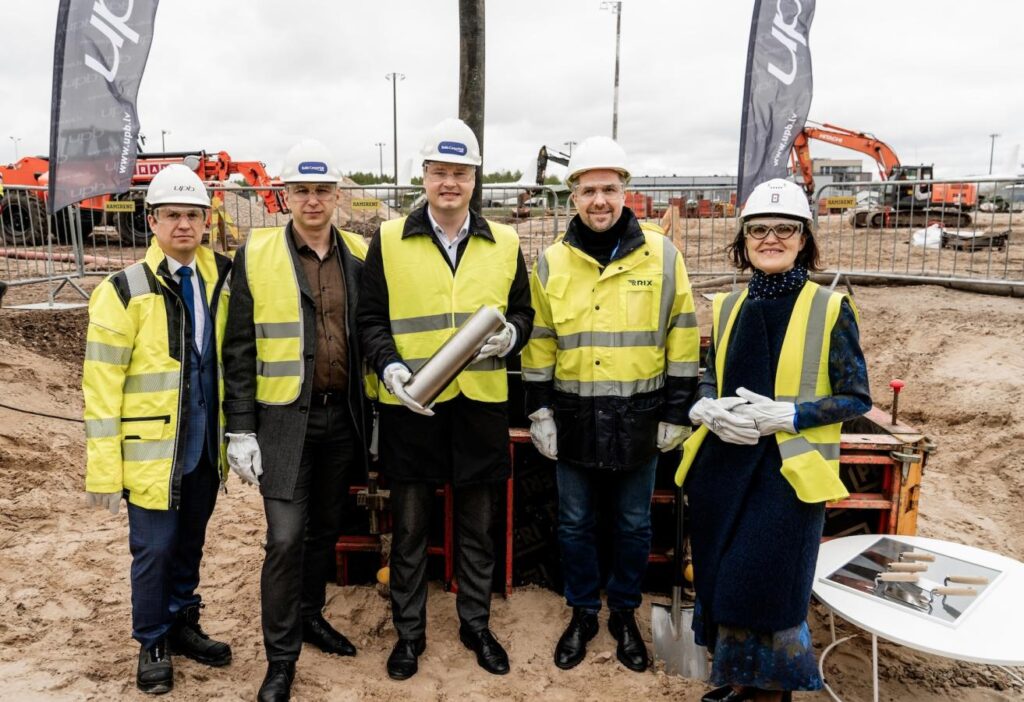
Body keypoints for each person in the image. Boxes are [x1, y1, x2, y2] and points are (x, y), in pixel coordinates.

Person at [674, 178, 871, 702]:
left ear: (804, 238)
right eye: (759, 229)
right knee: (719, 579)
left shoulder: (831, 308)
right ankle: (739, 681)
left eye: (785, 229)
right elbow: (712, 373)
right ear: (744, 239)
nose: (771, 238)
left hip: (787, 476)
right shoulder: (729, 305)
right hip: (724, 468)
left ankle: (771, 691)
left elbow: (856, 398)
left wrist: (789, 414)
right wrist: (705, 404)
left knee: (765, 588)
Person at [357, 117, 534, 681]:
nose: (450, 183)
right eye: (440, 172)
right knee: (409, 527)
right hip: (414, 405)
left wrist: (513, 337)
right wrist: (390, 369)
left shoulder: (504, 242)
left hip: (480, 403)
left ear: (475, 179)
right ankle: (409, 634)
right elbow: (370, 319)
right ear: (425, 176)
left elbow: (524, 311)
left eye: (461, 173)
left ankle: (475, 624)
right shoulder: (387, 239)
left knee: (477, 525)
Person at [521, 135, 701, 672]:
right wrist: (539, 411)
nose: (599, 200)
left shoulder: (662, 255)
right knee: (574, 524)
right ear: (572, 195)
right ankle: (582, 612)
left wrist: (675, 411)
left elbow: (682, 334)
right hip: (575, 419)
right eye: (588, 190)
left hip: (640, 420)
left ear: (627, 192)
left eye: (609, 189)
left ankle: (623, 613)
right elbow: (542, 340)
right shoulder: (553, 261)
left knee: (632, 526)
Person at [221, 139, 370, 702]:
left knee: (324, 533)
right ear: (285, 196)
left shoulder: (357, 252)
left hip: (342, 420)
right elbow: (239, 349)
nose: (313, 200)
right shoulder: (256, 255)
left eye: (322, 190)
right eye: (302, 190)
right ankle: (281, 660)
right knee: (284, 539)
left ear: (337, 196)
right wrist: (241, 427)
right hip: (283, 422)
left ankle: (310, 616)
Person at [83, 164, 233, 694]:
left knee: (190, 542)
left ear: (207, 220)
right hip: (152, 452)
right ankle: (151, 638)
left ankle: (182, 620)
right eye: (173, 215)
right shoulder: (123, 290)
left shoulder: (223, 277)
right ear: (152, 221)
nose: (184, 225)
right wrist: (103, 472)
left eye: (194, 215)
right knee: (153, 548)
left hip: (204, 448)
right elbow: (100, 388)